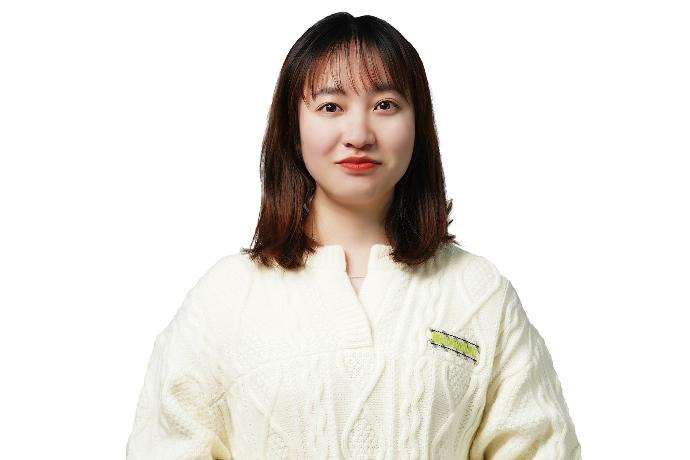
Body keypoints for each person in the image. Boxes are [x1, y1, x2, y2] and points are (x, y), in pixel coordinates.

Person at [126, 11, 581, 459]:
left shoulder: (478, 293)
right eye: (331, 107)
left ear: (418, 124)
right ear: (293, 127)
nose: (359, 134)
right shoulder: (225, 297)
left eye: (385, 105)